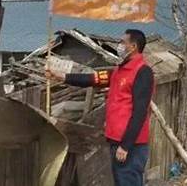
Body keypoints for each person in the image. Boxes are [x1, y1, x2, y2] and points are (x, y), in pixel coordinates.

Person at [46, 29, 155, 186]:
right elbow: (93, 79)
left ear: (133, 46)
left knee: (129, 181)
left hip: (130, 145)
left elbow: (140, 112)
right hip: (116, 140)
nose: (119, 45)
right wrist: (62, 77)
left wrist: (125, 145)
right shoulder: (119, 71)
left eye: (122, 42)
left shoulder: (142, 72)